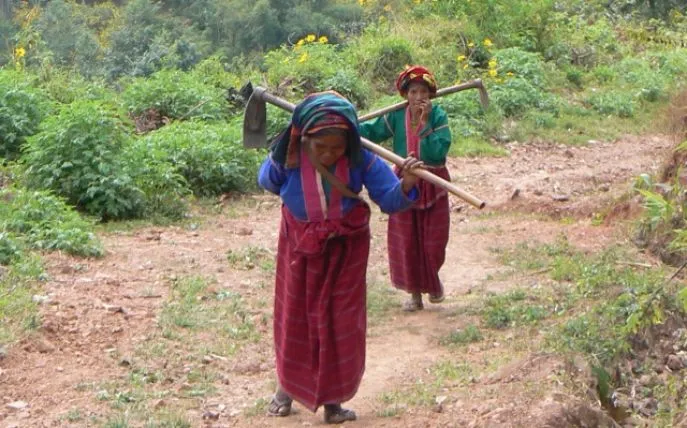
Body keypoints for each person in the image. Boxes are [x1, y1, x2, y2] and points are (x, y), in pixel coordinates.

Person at [257, 91, 422, 424]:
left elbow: (389, 200)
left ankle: (333, 402)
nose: (330, 154)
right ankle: (286, 389)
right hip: (299, 247)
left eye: (337, 147)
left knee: (340, 322)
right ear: (305, 138)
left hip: (345, 251)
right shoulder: (290, 154)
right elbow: (267, 182)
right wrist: (280, 150)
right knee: (296, 319)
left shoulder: (362, 158)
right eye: (322, 147)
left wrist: (406, 184)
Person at [359, 65, 452, 312]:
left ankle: (433, 283)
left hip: (434, 181)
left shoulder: (438, 116)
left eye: (423, 91)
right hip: (404, 183)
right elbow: (371, 132)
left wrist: (426, 122)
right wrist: (347, 126)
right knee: (406, 241)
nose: (418, 97)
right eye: (413, 92)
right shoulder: (396, 116)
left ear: (430, 95)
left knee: (434, 241)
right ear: (406, 94)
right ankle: (414, 295)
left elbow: (439, 151)